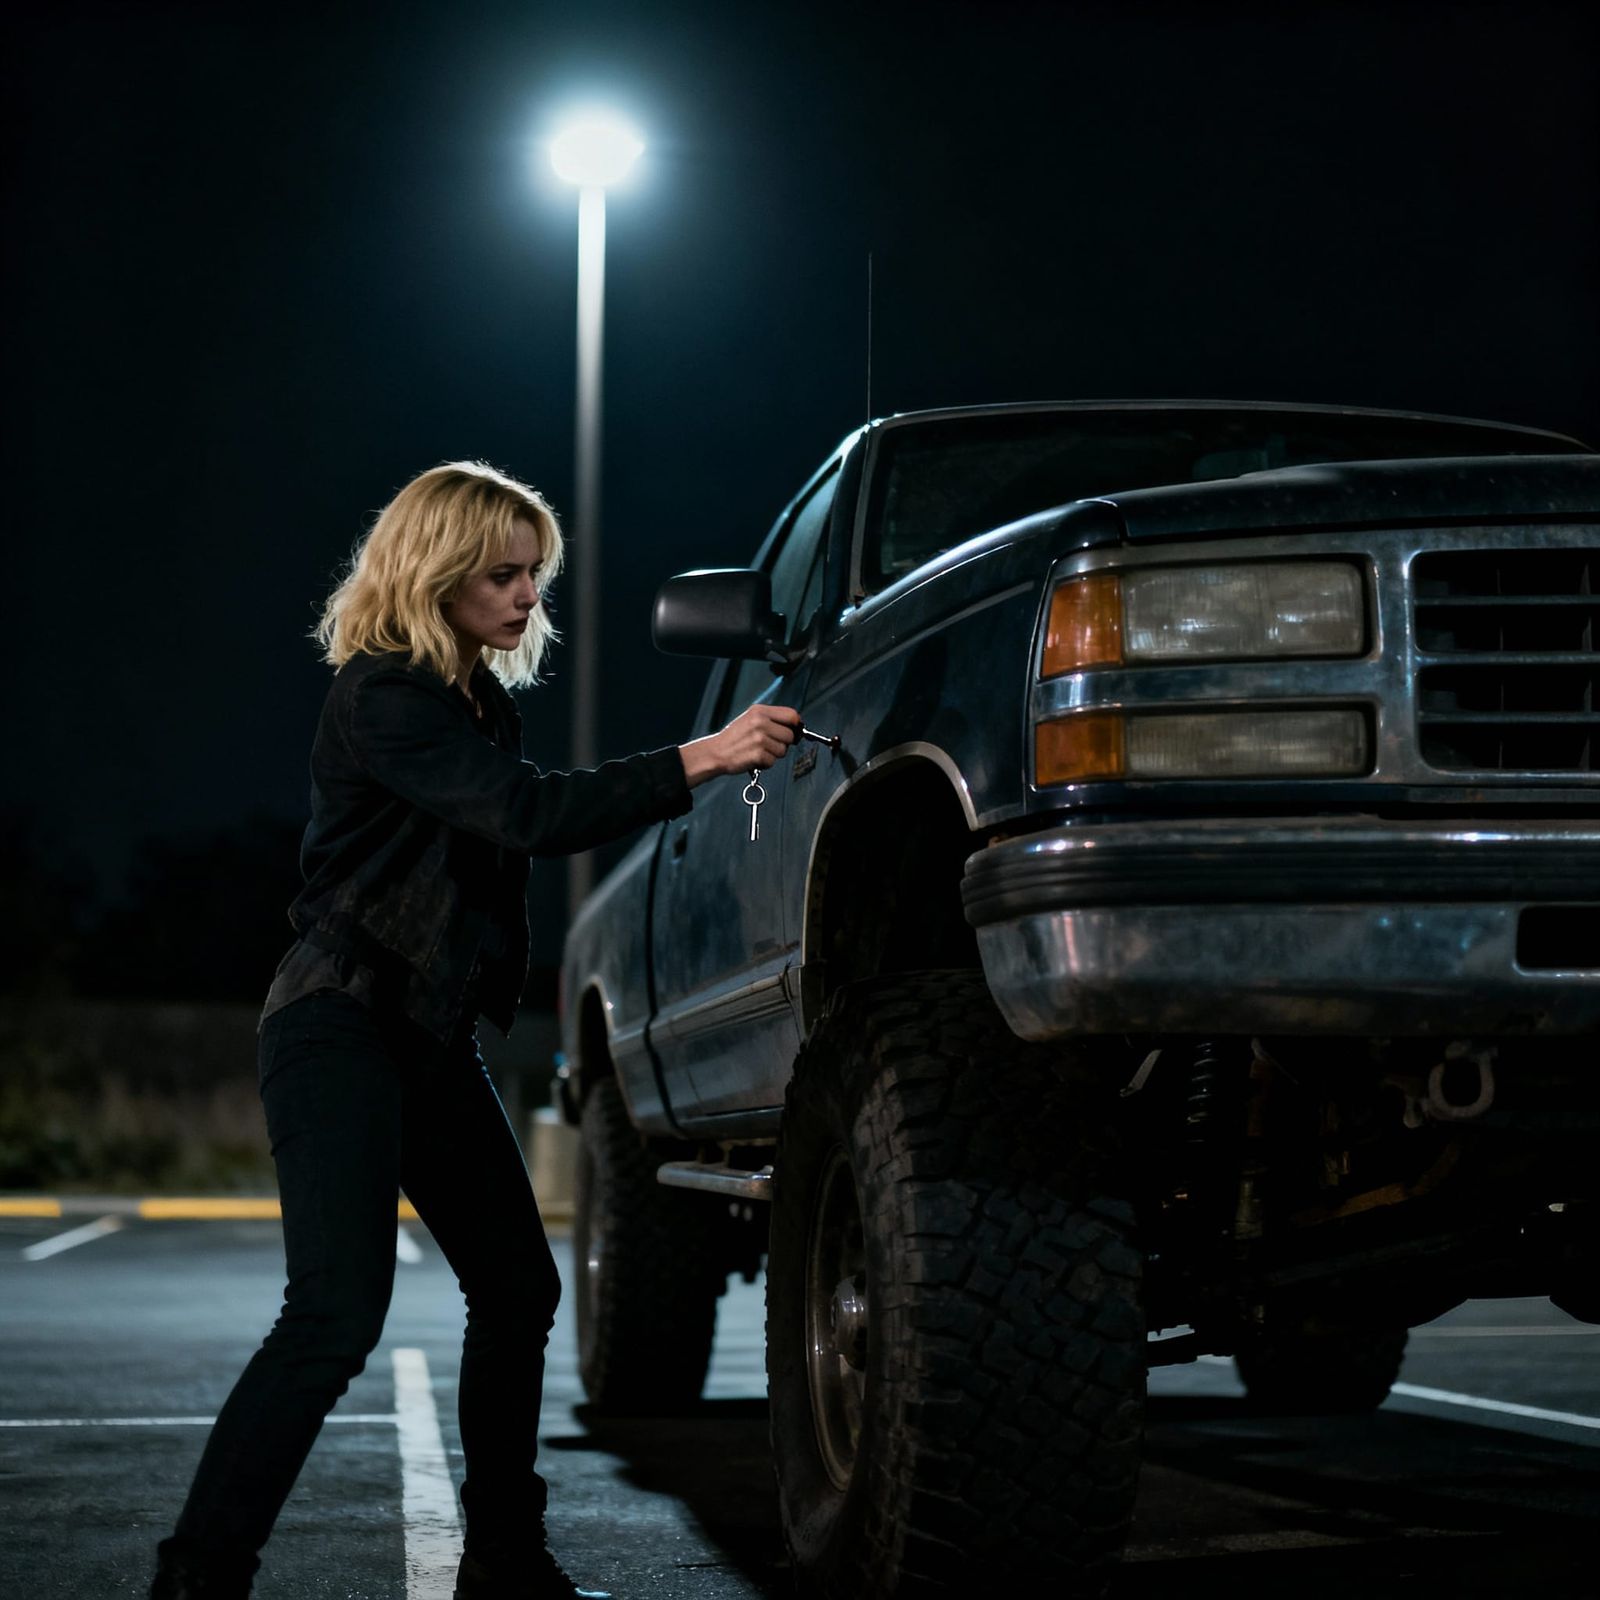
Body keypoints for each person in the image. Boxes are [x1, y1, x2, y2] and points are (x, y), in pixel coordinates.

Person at [149, 461, 800, 1600]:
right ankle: (197, 1578)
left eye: (535, 576)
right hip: (339, 1024)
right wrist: (702, 756)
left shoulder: (472, 704)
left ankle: (503, 1558)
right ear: (436, 571)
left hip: (427, 1039)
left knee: (517, 1288)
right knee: (334, 1313)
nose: (525, 598)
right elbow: (528, 812)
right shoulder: (383, 695)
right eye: (502, 574)